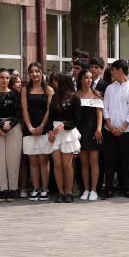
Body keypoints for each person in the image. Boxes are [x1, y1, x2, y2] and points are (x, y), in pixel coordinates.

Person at [103, 59, 129, 199]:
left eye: (113, 69)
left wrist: (123, 127)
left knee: (127, 161)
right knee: (109, 161)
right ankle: (109, 189)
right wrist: (110, 126)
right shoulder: (109, 88)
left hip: (127, 131)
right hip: (110, 131)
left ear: (120, 70)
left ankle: (127, 189)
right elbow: (105, 108)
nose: (111, 72)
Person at [0, 68, 22, 202]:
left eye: (7, 78)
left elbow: (19, 113)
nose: (4, 80)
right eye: (2, 77)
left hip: (14, 127)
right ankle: (2, 190)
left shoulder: (15, 95)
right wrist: (1, 125)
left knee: (13, 160)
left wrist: (9, 125)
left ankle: (12, 189)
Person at [21, 63, 53, 201]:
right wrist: (30, 127)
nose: (34, 74)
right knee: (33, 160)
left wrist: (41, 126)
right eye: (31, 72)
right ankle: (35, 188)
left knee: (43, 160)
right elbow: (24, 109)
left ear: (41, 72)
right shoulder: (25, 89)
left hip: (44, 129)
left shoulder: (49, 89)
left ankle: (45, 189)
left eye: (37, 71)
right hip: (29, 129)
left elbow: (49, 110)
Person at [48, 73, 82, 203]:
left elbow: (76, 120)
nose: (53, 83)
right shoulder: (54, 97)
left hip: (68, 133)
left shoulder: (75, 98)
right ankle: (60, 192)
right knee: (57, 164)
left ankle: (68, 192)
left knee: (67, 165)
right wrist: (50, 132)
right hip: (55, 133)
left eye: (56, 80)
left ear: (61, 81)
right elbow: (50, 117)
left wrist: (64, 125)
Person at [76, 68, 104, 201]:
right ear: (81, 79)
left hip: (94, 132)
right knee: (84, 163)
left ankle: (94, 190)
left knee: (94, 162)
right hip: (80, 132)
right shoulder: (76, 95)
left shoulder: (96, 94)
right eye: (86, 77)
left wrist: (99, 129)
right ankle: (86, 189)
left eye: (90, 78)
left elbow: (99, 113)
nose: (89, 80)